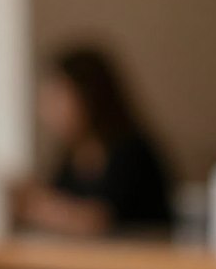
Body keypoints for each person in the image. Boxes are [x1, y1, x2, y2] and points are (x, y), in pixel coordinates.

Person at [16, 46, 171, 237]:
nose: (48, 111)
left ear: (89, 96)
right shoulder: (71, 157)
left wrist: (37, 206)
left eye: (58, 97)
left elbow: (98, 221)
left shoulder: (131, 152)